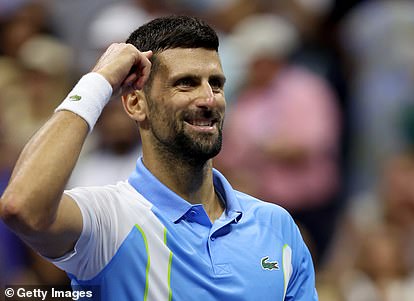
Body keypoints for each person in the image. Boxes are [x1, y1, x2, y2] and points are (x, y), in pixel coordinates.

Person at [0, 15, 317, 300]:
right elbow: (21, 207)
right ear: (136, 104)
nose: (209, 99)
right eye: (186, 83)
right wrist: (99, 81)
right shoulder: (109, 221)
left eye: (216, 84)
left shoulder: (277, 225)